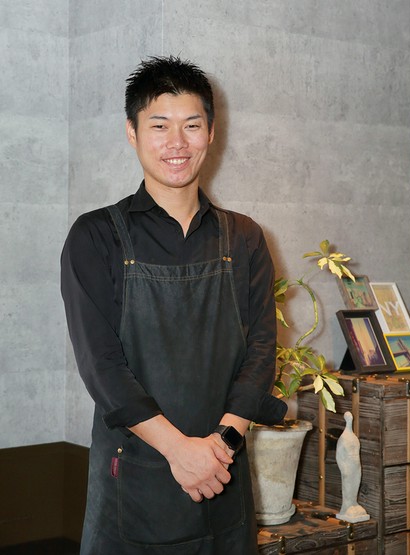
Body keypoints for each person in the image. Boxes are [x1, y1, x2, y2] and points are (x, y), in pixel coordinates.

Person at [61, 55, 287, 555]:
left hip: (222, 475)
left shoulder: (245, 237)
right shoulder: (95, 236)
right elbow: (102, 367)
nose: (177, 142)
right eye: (160, 125)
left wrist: (220, 446)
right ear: (132, 132)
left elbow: (261, 353)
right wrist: (179, 451)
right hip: (135, 482)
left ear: (211, 133)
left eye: (192, 125)